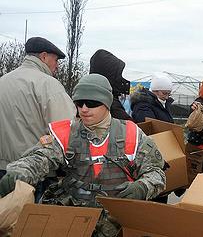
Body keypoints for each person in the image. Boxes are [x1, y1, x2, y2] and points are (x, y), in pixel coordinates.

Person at [0, 74, 166, 235]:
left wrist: (143, 187)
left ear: (107, 103)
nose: (84, 109)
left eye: (92, 103)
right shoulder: (66, 133)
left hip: (116, 223)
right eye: (79, 103)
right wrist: (21, 171)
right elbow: (41, 157)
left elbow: (156, 173)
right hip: (72, 220)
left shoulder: (132, 134)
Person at [0, 37, 76, 179]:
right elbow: (67, 131)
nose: (57, 65)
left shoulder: (3, 81)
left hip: (3, 169)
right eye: (56, 60)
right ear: (44, 56)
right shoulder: (48, 84)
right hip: (34, 172)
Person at [89, 49, 133, 120]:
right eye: (118, 74)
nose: (121, 78)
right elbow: (131, 128)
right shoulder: (109, 105)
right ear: (109, 77)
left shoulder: (87, 99)